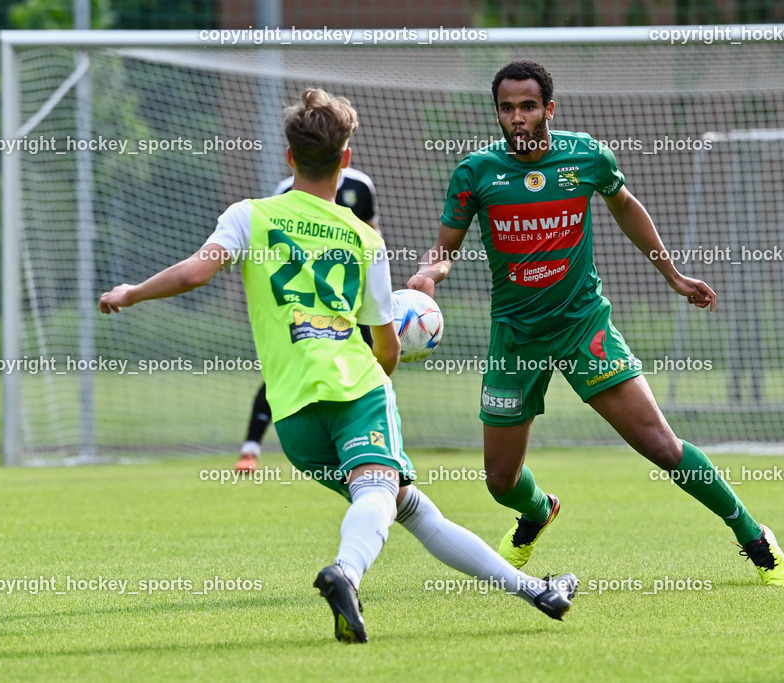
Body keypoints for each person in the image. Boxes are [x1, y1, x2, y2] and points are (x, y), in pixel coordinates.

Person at [99, 88, 578, 644]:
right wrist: (378, 379)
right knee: (379, 489)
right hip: (356, 388)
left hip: (294, 411)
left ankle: (537, 592)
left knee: (409, 507)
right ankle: (345, 573)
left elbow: (193, 274)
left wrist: (131, 293)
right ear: (346, 159)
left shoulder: (249, 217)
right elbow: (387, 345)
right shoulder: (364, 238)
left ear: (289, 158)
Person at [407, 60, 784, 586]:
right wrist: (431, 271)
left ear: (548, 108)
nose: (517, 117)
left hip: (582, 326)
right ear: (496, 112)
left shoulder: (585, 155)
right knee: (500, 482)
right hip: (516, 338)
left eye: (527, 106)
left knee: (661, 445)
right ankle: (538, 510)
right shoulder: (476, 172)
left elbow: (626, 205)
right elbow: (445, 248)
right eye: (506, 108)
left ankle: (753, 536)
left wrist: (673, 275)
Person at [237, 166, 380, 473]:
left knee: (367, 367)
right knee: (286, 371)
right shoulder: (284, 191)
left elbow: (371, 233)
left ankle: (366, 439)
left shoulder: (360, 185)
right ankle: (250, 447)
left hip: (349, 303)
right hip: (304, 305)